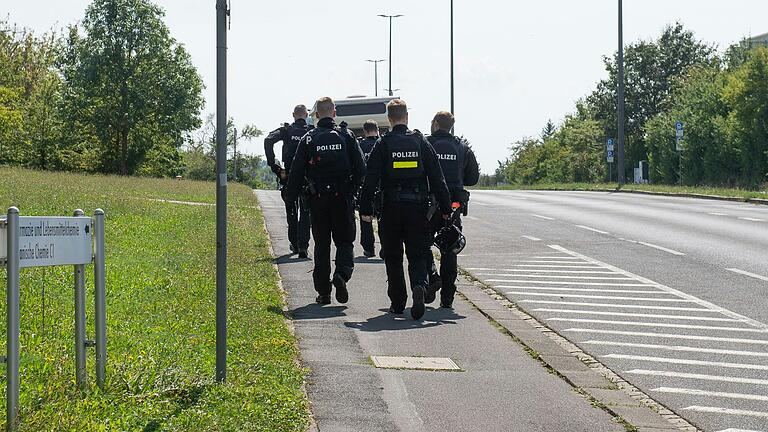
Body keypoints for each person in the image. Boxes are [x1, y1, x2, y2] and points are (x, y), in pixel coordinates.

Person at [359, 99, 452, 320]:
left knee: (392, 257)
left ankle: (398, 302)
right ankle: (419, 286)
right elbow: (437, 178)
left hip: (390, 208)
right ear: (407, 117)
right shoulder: (420, 141)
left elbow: (370, 179)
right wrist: (446, 208)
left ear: (389, 119)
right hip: (417, 209)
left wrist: (365, 209)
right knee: (417, 253)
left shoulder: (383, 144)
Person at [285, 97, 366, 305]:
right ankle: (342, 274)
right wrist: (352, 190)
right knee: (345, 241)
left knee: (321, 245)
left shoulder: (309, 138)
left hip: (318, 199)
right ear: (334, 113)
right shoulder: (346, 136)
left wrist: (291, 199)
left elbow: (296, 172)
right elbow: (361, 169)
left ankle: (324, 292)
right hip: (343, 199)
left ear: (317, 115)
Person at [426, 111, 480, 309]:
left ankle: (432, 276)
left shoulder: (426, 143)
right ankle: (447, 298)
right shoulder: (462, 147)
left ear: (436, 124)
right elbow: (473, 178)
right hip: (454, 204)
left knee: (422, 243)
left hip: (429, 203)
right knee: (450, 248)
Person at [264, 104, 313, 258]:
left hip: (289, 175)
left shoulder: (286, 130)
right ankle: (303, 245)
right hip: (307, 176)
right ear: (306, 115)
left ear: (293, 115)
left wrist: (274, 166)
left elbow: (268, 140)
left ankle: (295, 244)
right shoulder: (311, 131)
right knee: (305, 212)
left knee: (291, 211)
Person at [358, 119, 381, 257]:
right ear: (377, 129)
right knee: (383, 219)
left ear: (365, 131)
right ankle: (385, 246)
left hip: (365, 186)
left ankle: (369, 248)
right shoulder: (382, 144)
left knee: (365, 218)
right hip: (382, 186)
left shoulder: (361, 145)